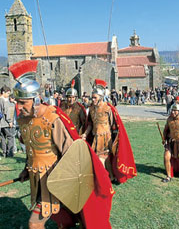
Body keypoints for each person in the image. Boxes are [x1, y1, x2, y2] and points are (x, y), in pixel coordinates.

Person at [9, 60, 114, 229]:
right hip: (38, 179)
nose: (18, 107)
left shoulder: (51, 119)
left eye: (23, 102)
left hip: (55, 179)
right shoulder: (23, 120)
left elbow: (70, 151)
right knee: (64, 218)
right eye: (17, 102)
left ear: (36, 100)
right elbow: (31, 149)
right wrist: (26, 169)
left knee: (34, 224)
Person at [82, 79, 136, 183]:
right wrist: (85, 134)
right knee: (105, 159)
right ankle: (110, 177)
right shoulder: (92, 108)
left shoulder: (108, 108)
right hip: (95, 137)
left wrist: (115, 139)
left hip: (106, 137)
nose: (92, 99)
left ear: (101, 97)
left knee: (101, 159)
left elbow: (114, 125)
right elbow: (90, 124)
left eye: (95, 97)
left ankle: (102, 181)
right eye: (92, 97)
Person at [0, 86, 15, 158]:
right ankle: (10, 153)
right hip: (6, 122)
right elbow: (6, 111)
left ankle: (4, 152)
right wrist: (10, 121)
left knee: (3, 138)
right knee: (10, 137)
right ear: (3, 92)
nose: (8, 95)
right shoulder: (4, 100)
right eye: (7, 93)